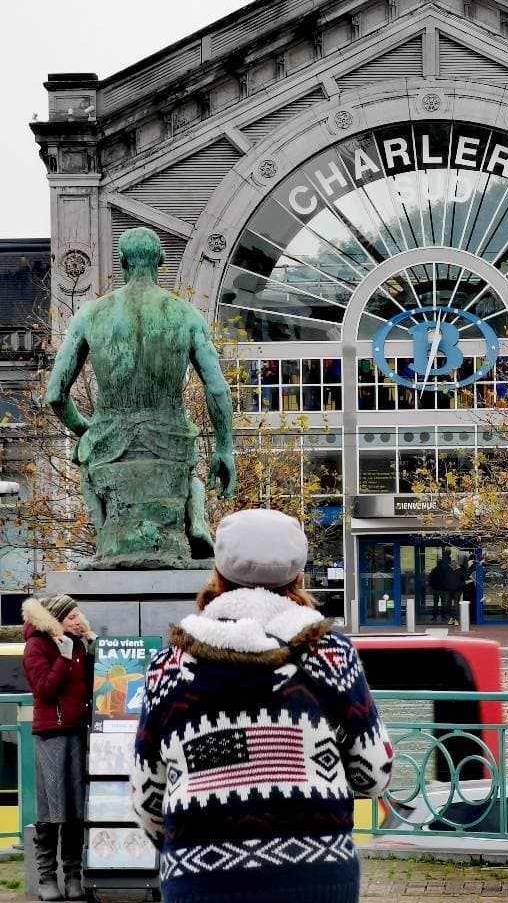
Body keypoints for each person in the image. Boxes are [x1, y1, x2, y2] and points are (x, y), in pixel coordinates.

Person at [131, 508, 393, 903]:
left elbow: (147, 798)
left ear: (217, 574)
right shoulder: (331, 656)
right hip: (318, 879)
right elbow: (374, 774)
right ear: (298, 575)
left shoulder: (170, 666)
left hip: (200, 882)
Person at [44, 226, 236, 569]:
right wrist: (224, 447)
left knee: (86, 465)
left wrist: (83, 429)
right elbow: (217, 387)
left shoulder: (90, 314)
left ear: (121, 262)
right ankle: (195, 520)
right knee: (189, 474)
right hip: (171, 439)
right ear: (161, 261)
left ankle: (104, 538)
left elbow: (56, 394)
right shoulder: (186, 315)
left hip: (109, 438)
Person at [23, 594, 95, 902]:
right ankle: (47, 877)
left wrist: (94, 653)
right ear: (55, 620)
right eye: (72, 617)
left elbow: (91, 687)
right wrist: (64, 659)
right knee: (52, 808)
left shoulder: (78, 646)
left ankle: (73, 876)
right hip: (51, 735)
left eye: (80, 616)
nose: (78, 621)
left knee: (75, 809)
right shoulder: (37, 646)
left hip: (77, 732)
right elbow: (45, 690)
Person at [428, 557, 449, 622]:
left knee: (435, 603)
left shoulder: (434, 570)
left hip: (436, 589)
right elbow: (447, 579)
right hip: (443, 589)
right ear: (442, 564)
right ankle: (443, 616)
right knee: (443, 603)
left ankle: (434, 616)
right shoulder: (444, 570)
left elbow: (430, 579)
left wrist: (432, 587)